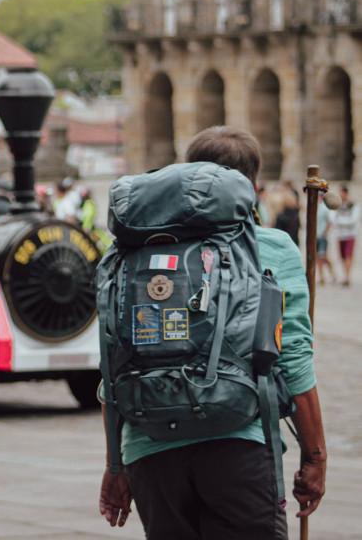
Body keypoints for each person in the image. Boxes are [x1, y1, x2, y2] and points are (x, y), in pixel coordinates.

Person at [99, 126, 326, 539]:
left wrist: (116, 465)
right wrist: (315, 457)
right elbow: (292, 357)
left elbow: (112, 360)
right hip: (239, 440)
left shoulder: (134, 250)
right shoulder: (270, 246)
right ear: (252, 186)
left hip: (149, 447)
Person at [331, 185, 361, 286]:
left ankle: (347, 276)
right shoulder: (337, 206)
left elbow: (353, 219)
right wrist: (344, 220)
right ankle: (344, 274)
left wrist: (341, 221)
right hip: (340, 234)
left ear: (345, 193)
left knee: (348, 255)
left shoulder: (353, 205)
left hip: (350, 234)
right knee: (342, 256)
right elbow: (332, 218)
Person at [316, 194, 336, 285]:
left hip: (322, 236)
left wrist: (324, 233)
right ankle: (321, 276)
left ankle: (332, 274)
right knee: (317, 257)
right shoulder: (314, 209)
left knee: (323, 257)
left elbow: (329, 222)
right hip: (315, 236)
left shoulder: (324, 208)